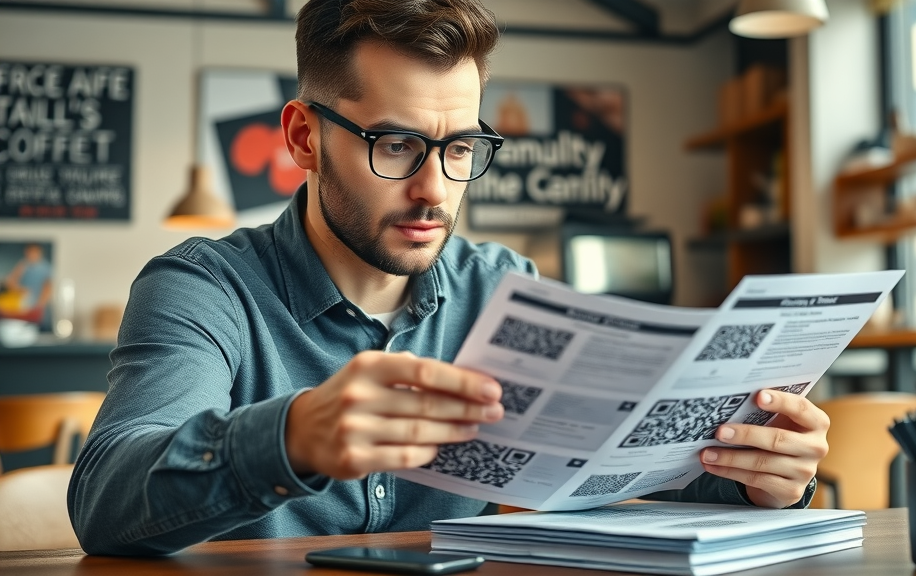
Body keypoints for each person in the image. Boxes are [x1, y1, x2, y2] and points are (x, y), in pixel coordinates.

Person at [69, 0, 829, 556]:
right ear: (304, 138)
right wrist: (291, 438)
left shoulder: (506, 289)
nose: (435, 189)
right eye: (397, 144)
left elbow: (604, 468)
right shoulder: (203, 288)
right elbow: (106, 500)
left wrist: (758, 476)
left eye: (459, 147)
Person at [1, 243, 52, 325]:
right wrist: (20, 289)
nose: (31, 255)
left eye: (34, 252)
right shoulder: (23, 264)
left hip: (38, 307)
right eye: (29, 252)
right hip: (22, 302)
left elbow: (48, 288)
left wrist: (40, 305)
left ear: (39, 252)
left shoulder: (45, 268)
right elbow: (10, 281)